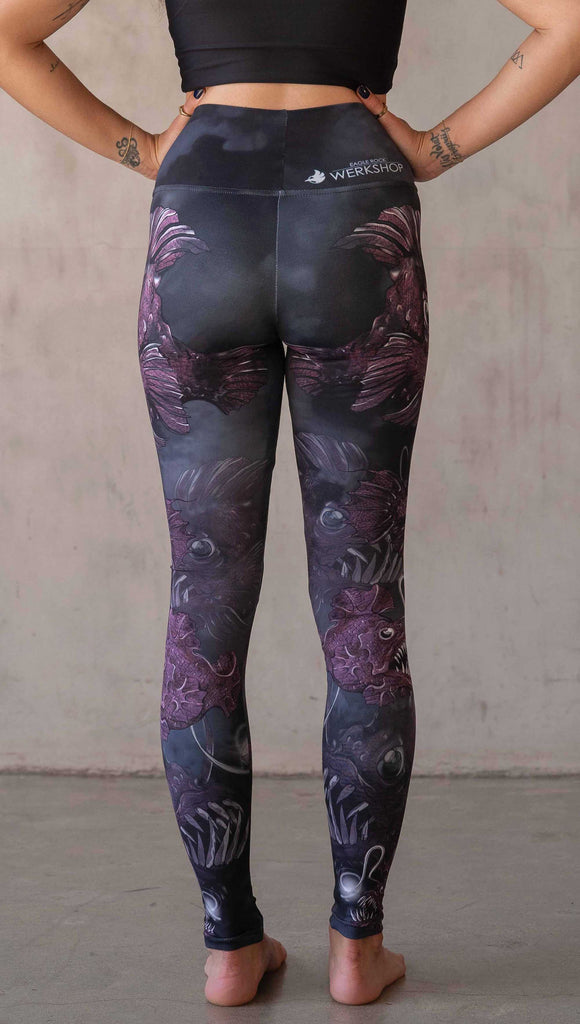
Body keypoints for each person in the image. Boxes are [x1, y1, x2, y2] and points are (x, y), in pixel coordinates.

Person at [1, 0, 579, 1008]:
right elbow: (568, 21)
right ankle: (357, 945)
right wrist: (434, 148)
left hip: (204, 210)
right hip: (351, 206)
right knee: (363, 604)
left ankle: (230, 947)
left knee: (203, 604)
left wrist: (144, 149)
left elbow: (8, 30)